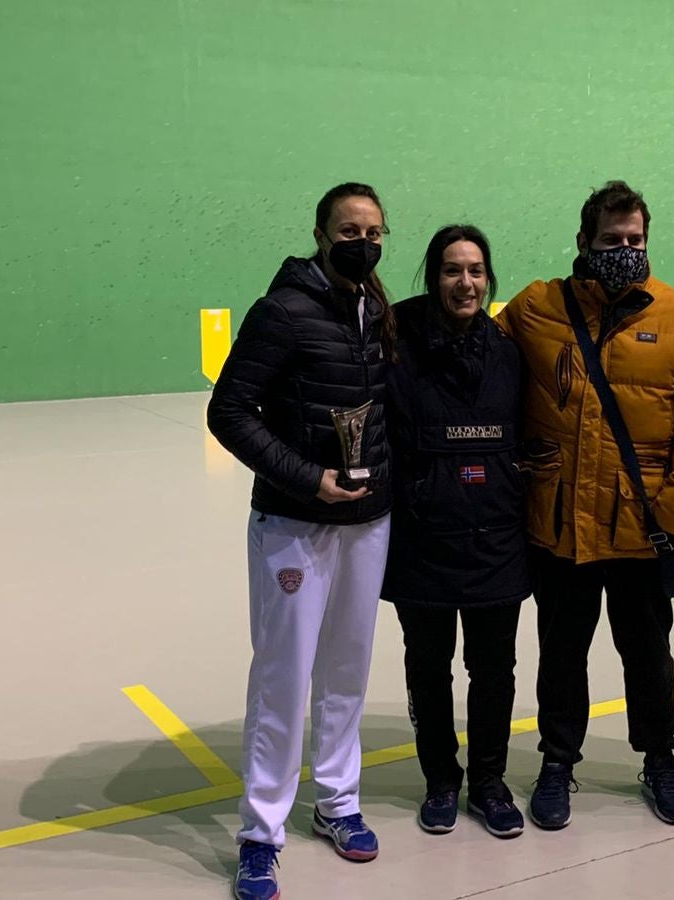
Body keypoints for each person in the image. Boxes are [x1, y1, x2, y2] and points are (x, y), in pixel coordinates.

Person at [496, 181, 674, 830]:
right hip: (561, 525)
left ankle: (660, 758)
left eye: (635, 240)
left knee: (649, 655)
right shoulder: (535, 308)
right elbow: (476, 366)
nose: (624, 250)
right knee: (561, 654)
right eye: (610, 241)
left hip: (646, 533)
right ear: (582, 243)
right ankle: (556, 762)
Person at [207, 183, 395, 900]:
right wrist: (305, 477)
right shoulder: (281, 310)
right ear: (320, 233)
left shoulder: (374, 308)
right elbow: (228, 410)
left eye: (376, 231)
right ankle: (260, 832)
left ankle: (339, 803)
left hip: (367, 525)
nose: (364, 242)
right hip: (292, 524)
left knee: (347, 671)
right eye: (350, 230)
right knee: (284, 678)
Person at [382, 224, 531, 838]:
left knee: (495, 670)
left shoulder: (510, 351)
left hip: (497, 539)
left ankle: (490, 784)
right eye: (451, 270)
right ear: (433, 276)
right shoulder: (396, 343)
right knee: (429, 667)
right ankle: (441, 781)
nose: (464, 282)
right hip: (423, 542)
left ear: (488, 278)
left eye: (474, 270)